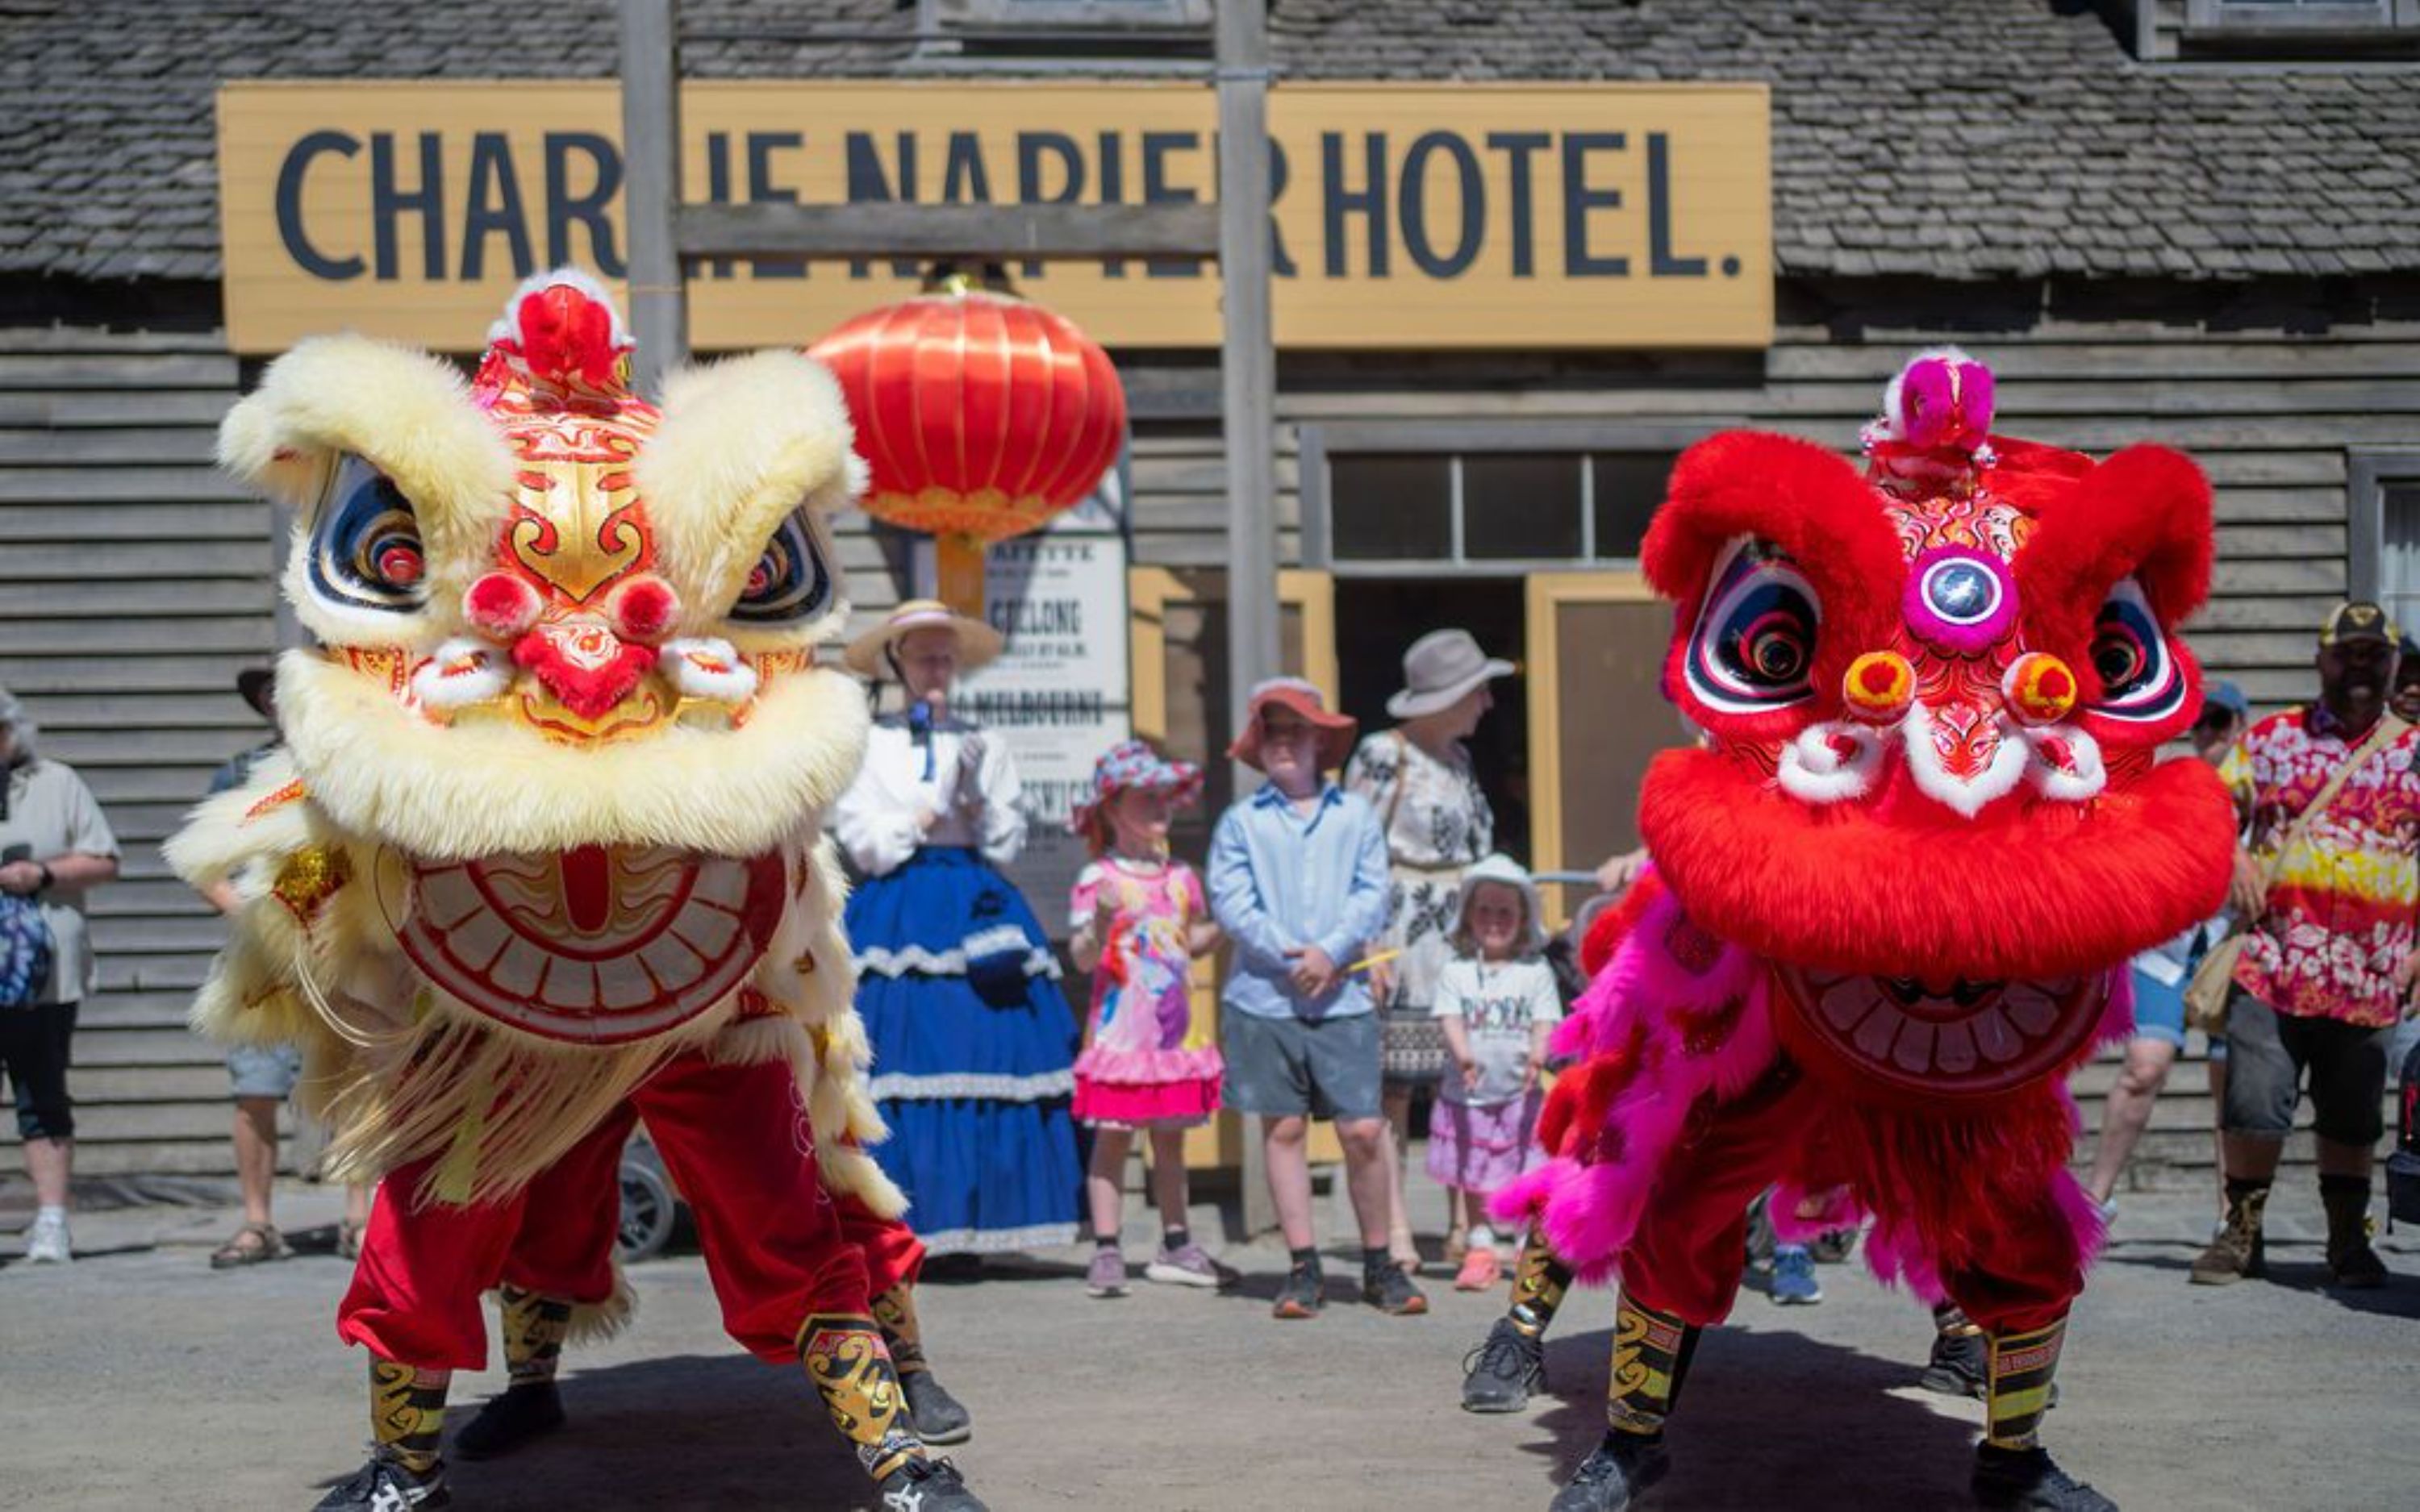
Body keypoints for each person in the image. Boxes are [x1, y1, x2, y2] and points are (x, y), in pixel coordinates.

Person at [170, 272, 986, 1510]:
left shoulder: (673, 491)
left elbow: (769, 664)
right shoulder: (447, 556)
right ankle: (420, 1453)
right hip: (489, 937)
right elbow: (356, 730)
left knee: (794, 1172)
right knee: (462, 1199)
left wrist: (713, 698)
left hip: (701, 941)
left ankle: (899, 1445)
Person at [1498, 352, 2235, 1511]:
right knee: (1685, 1180)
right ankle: (1629, 1435)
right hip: (1808, 940)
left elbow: (2092, 712)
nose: (1946, 442)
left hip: (1978, 952)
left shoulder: (2030, 520)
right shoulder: (1838, 542)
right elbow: (1754, 698)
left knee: (2020, 1220)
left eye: (1960, 432)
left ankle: (2014, 1454)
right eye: (1928, 429)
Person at [833, 599, 1082, 1259]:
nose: (937, 668)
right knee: (898, 1053)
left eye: (945, 656)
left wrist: (973, 800)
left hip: (975, 898)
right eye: (923, 655)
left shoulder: (986, 741)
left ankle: (981, 1220)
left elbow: (1008, 842)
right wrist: (927, 812)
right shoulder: (870, 740)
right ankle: (900, 1223)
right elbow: (864, 843)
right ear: (898, 662)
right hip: (897, 906)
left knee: (992, 1047)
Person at [2192, 603, 2420, 1289]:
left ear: (2390, 666)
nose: (2359, 666)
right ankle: (2241, 1233)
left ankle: (2348, 1240)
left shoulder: (2413, 749)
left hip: (2374, 966)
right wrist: (2230, 858)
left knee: (2354, 1115)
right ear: (2321, 659)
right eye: (2346, 653)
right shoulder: (2272, 739)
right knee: (2254, 1104)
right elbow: (2204, 800)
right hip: (2276, 959)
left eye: (2372, 656)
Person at [1209, 677, 1426, 1318]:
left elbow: (1372, 891)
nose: (1283, 741)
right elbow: (1230, 899)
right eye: (1272, 729)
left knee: (1363, 1127)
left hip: (1344, 995)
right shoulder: (1240, 822)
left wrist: (1329, 952)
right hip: (1264, 996)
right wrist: (1289, 953)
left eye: (1296, 728)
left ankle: (1379, 1261)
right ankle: (1303, 1266)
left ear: (1319, 742)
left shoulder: (1354, 814)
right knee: (1283, 1127)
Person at [1345, 627, 1514, 1272]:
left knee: (1461, 1082)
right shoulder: (1383, 755)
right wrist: (1368, 942)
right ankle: (1394, 1228)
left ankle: (1463, 1225)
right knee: (1394, 1090)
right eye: (1480, 691)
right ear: (1450, 696)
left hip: (1459, 937)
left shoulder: (1461, 763)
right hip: (1400, 933)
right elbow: (1357, 851)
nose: (1488, 704)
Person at [196, 666, 373, 1268]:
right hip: (263, 956)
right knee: (255, 1091)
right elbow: (205, 860)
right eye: (270, 693)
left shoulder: (348, 765)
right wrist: (252, 913)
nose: (280, 701)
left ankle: (360, 1218)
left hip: (340, 951)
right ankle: (257, 1223)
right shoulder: (238, 774)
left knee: (354, 1082)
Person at [1064, 739, 1229, 1297]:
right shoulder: (1099, 878)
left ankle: (1176, 1240)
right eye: (1145, 797)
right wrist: (1102, 920)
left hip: (1172, 1035)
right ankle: (1108, 1246)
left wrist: (1216, 929)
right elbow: (1084, 958)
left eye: (1164, 796)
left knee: (1171, 1140)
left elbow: (1197, 936)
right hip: (1119, 1035)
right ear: (1112, 807)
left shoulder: (1183, 876)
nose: (1160, 807)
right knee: (1112, 1138)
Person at [2080, 681, 2247, 1223]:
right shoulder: (2170, 784)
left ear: (2241, 729)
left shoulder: (2262, 785)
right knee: (2143, 1067)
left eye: (2223, 723)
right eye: (2204, 723)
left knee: (2232, 1083)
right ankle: (2098, 1195)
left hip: (2232, 946)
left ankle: (2232, 1212)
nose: (2213, 734)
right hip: (2166, 951)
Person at [0, 683, 119, 1265]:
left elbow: (104, 858)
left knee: (40, 1091)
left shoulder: (57, 783)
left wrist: (40, 873)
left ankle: (51, 1220)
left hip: (41, 975)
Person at [1428, 854, 1561, 1292]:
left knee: (1524, 1170)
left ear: (1523, 919)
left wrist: (1539, 1055)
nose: (1494, 920)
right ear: (1468, 915)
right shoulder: (1457, 971)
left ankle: (1525, 1241)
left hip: (1520, 1096)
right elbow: (1449, 1017)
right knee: (1473, 1171)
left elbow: (1545, 1019)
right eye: (1484, 909)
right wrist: (1464, 1055)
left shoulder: (1534, 972)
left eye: (1506, 911)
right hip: (1468, 1098)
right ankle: (1480, 1243)